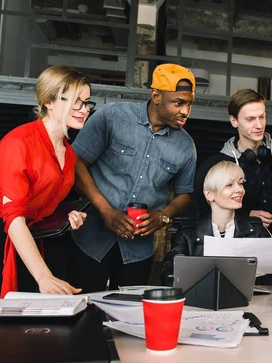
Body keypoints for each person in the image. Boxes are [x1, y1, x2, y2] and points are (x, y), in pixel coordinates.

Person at [0, 65, 92, 314]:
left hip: (25, 244)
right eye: (75, 101)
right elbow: (15, 217)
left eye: (86, 102)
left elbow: (38, 204)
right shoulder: (18, 143)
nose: (84, 109)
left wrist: (64, 217)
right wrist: (43, 277)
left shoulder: (69, 154)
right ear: (49, 101)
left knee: (23, 333)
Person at [69, 63, 197, 292]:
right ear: (156, 96)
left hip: (138, 253)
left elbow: (185, 194)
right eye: (178, 103)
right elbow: (75, 163)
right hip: (89, 239)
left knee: (129, 319)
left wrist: (164, 216)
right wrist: (106, 211)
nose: (185, 111)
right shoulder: (112, 117)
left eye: (189, 104)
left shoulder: (186, 146)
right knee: (81, 313)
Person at [161, 161, 272, 286]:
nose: (239, 190)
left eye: (241, 183)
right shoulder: (187, 233)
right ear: (209, 194)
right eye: (229, 185)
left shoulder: (256, 229)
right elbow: (168, 276)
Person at [194, 89, 272, 231]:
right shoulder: (215, 165)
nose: (259, 125)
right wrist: (245, 215)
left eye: (262, 117)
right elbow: (203, 211)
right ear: (234, 121)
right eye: (250, 119)